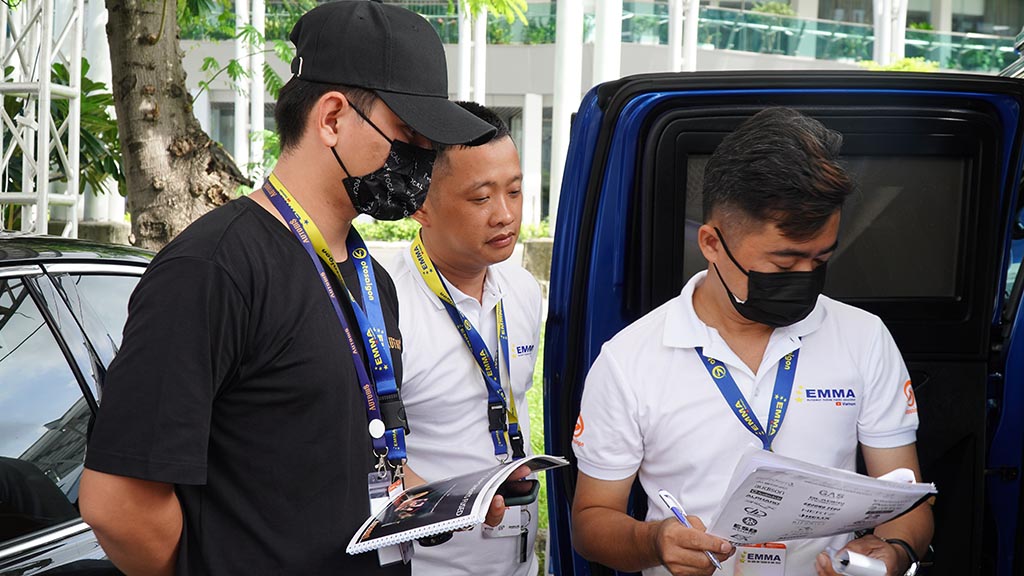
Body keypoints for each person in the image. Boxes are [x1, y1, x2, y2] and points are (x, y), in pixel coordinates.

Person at [78, 1, 497, 575]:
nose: (425, 160)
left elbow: (339, 462)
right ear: (332, 119)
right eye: (409, 135)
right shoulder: (214, 269)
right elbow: (117, 503)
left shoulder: (371, 278)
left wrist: (446, 501)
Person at [570, 107, 934, 576]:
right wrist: (654, 541)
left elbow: (908, 501)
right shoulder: (630, 360)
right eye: (783, 264)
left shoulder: (864, 338)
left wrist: (896, 550)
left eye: (820, 260)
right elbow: (591, 523)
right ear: (711, 243)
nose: (805, 277)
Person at [392, 102, 544, 576]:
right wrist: (442, 506)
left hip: (518, 560)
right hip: (429, 564)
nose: (505, 215)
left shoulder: (522, 289)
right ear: (420, 204)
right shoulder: (384, 307)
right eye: (481, 198)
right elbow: (357, 455)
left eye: (514, 191)